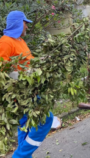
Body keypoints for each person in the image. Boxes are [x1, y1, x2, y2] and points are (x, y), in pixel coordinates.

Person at [0, 11, 60, 158]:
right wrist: (21, 77)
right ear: (18, 23)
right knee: (46, 120)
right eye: (25, 23)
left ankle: (24, 156)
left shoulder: (20, 41)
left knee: (24, 126)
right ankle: (20, 156)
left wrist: (42, 63)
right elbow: (2, 69)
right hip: (21, 94)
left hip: (30, 91)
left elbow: (27, 62)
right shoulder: (5, 41)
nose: (27, 27)